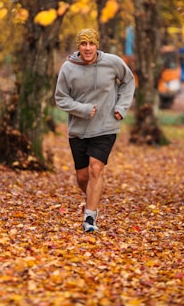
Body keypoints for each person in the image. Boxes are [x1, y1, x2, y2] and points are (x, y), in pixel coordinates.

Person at [55, 28, 135, 232]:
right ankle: (93, 197)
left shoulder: (113, 62)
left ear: (97, 45)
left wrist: (121, 108)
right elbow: (61, 98)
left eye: (91, 43)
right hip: (78, 129)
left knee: (96, 168)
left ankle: (89, 218)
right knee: (82, 178)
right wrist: (82, 109)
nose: (88, 48)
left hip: (106, 126)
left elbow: (128, 81)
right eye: (83, 44)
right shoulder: (68, 68)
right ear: (78, 46)